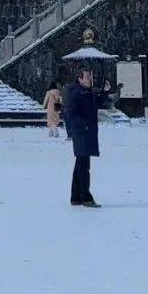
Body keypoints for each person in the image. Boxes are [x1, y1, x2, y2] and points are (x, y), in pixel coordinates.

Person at [63, 66, 103, 207]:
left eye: (90, 76)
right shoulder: (76, 93)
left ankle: (76, 196)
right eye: (87, 77)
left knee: (80, 164)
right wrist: (83, 125)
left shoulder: (86, 92)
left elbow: (97, 104)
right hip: (81, 133)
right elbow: (71, 114)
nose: (90, 79)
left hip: (87, 132)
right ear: (80, 78)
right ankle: (86, 197)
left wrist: (105, 91)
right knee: (83, 166)